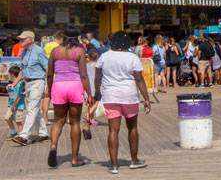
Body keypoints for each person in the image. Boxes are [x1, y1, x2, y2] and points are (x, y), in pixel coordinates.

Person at [95, 31, 151, 174]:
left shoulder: (104, 57)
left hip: (110, 96)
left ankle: (114, 166)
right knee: (132, 128)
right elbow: (139, 79)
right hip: (129, 96)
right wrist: (146, 99)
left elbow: (97, 77)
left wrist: (97, 93)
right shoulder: (132, 57)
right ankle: (134, 160)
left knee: (113, 130)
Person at [45, 28, 92, 168]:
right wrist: (89, 93)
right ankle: (74, 159)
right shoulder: (79, 51)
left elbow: (49, 74)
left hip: (59, 86)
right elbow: (83, 75)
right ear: (77, 37)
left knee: (58, 121)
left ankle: (53, 146)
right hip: (75, 86)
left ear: (63, 37)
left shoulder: (55, 51)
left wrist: (50, 88)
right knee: (75, 122)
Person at [12, 30, 49, 146]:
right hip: (27, 83)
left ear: (31, 39)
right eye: (20, 39)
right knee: (35, 109)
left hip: (38, 82)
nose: (20, 41)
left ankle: (24, 135)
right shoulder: (23, 52)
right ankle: (43, 133)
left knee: (31, 109)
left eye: (23, 39)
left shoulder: (39, 51)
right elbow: (22, 70)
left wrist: (48, 84)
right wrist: (14, 83)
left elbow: (48, 68)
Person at [4, 66, 25, 140]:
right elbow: (11, 95)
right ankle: (13, 132)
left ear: (12, 74)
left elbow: (20, 96)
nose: (8, 75)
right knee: (7, 117)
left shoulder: (20, 84)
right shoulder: (11, 84)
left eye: (9, 74)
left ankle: (21, 135)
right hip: (11, 105)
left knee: (18, 121)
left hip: (19, 106)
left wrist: (14, 105)